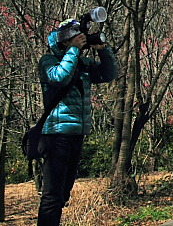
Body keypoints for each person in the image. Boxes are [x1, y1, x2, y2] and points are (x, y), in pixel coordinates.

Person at [37, 18, 118, 226]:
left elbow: (109, 74)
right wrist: (73, 51)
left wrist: (102, 50)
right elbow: (59, 78)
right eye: (75, 38)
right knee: (52, 196)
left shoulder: (82, 63)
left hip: (76, 134)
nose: (80, 42)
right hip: (56, 135)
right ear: (65, 40)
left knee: (63, 193)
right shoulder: (48, 60)